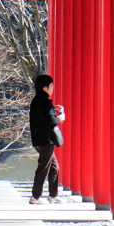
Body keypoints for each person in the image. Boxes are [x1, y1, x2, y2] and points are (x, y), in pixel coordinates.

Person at [28, 74, 65, 204]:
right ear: (45, 88)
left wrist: (52, 109)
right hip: (46, 139)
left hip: (39, 138)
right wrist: (60, 118)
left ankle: (53, 195)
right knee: (44, 167)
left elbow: (43, 116)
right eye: (51, 85)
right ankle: (35, 197)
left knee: (54, 167)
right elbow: (51, 120)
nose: (53, 87)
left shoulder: (38, 101)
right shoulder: (44, 102)